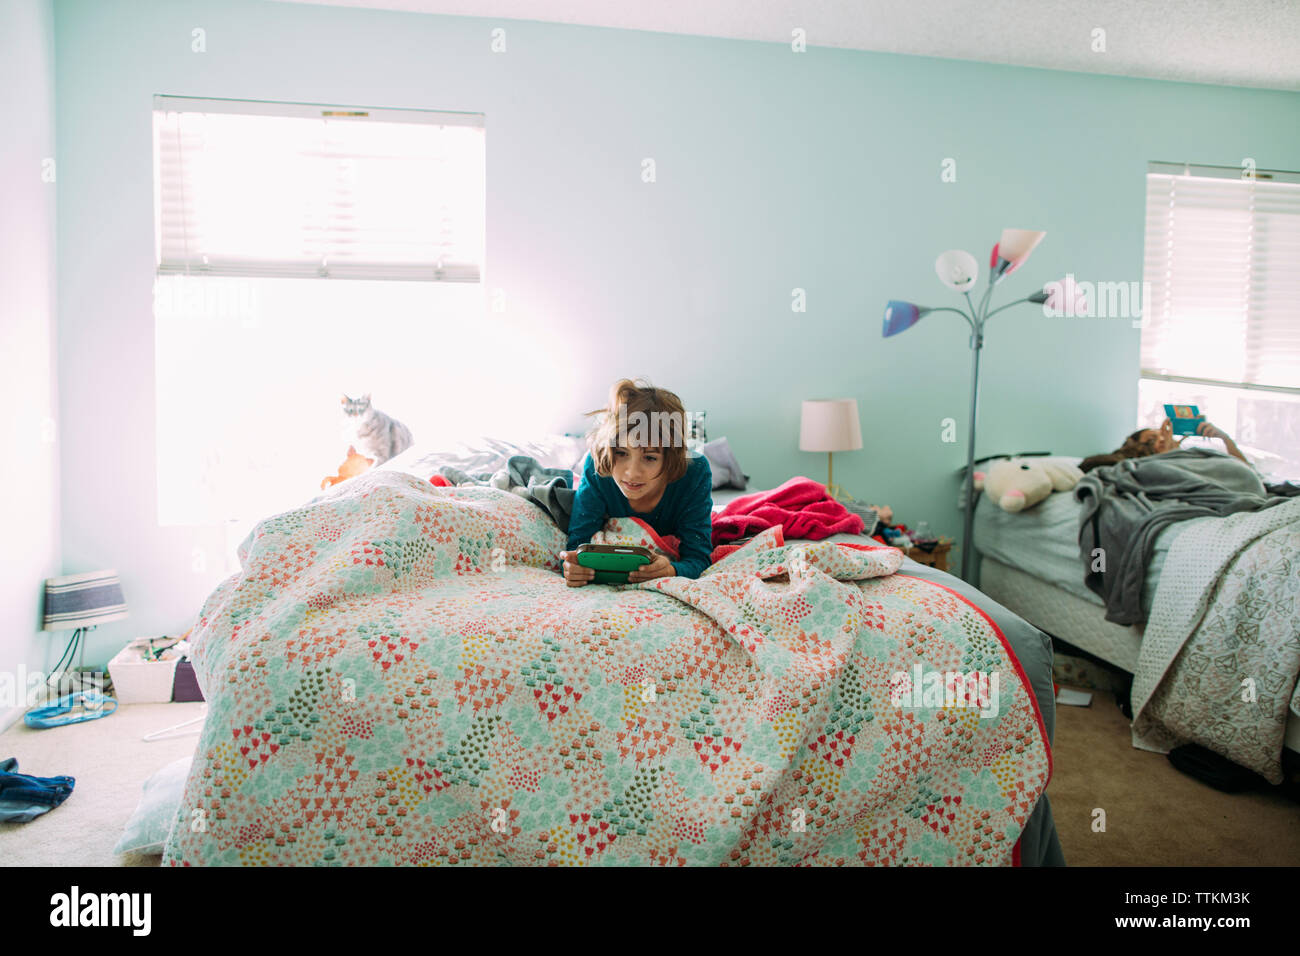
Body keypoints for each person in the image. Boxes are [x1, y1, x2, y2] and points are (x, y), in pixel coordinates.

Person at [559, 379, 714, 587]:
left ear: (670, 460)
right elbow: (577, 547)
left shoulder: (695, 471)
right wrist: (572, 568)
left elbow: (699, 558)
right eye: (621, 453)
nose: (631, 473)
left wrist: (671, 569)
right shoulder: (597, 465)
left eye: (649, 457)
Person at [1079, 417, 1250, 473]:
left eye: (1163, 435)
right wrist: (1169, 456)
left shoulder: (1197, 455)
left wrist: (1225, 439)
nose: (1162, 439)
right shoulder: (1140, 468)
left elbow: (1248, 472)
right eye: (1152, 439)